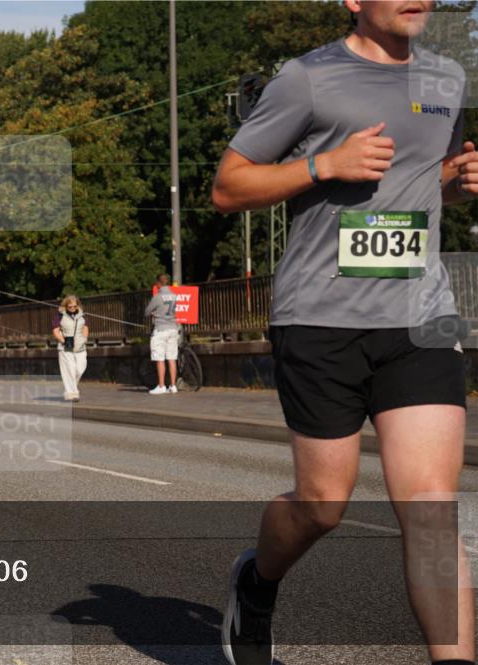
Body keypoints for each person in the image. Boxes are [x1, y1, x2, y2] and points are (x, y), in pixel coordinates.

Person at [212, 2, 477, 664]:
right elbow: (228, 185)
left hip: (420, 315)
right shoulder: (307, 78)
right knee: (322, 504)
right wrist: (322, 166)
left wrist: (459, 182)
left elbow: (423, 185)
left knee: (431, 510)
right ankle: (258, 580)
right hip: (320, 318)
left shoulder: (447, 78)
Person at [144, 274, 180, 395]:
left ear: (159, 283)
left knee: (159, 358)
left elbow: (147, 312)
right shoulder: (174, 296)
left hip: (160, 329)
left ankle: (161, 385)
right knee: (172, 358)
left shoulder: (158, 297)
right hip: (173, 328)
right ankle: (173, 385)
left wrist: (155, 313)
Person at [52, 295, 89, 401]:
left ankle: (71, 388)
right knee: (70, 369)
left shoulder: (82, 314)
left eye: (74, 306)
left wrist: (84, 339)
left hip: (80, 345)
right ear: (66, 306)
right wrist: (64, 341)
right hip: (66, 345)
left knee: (80, 368)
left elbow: (85, 327)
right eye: (70, 307)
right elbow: (55, 331)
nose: (73, 308)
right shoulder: (60, 315)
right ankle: (72, 393)